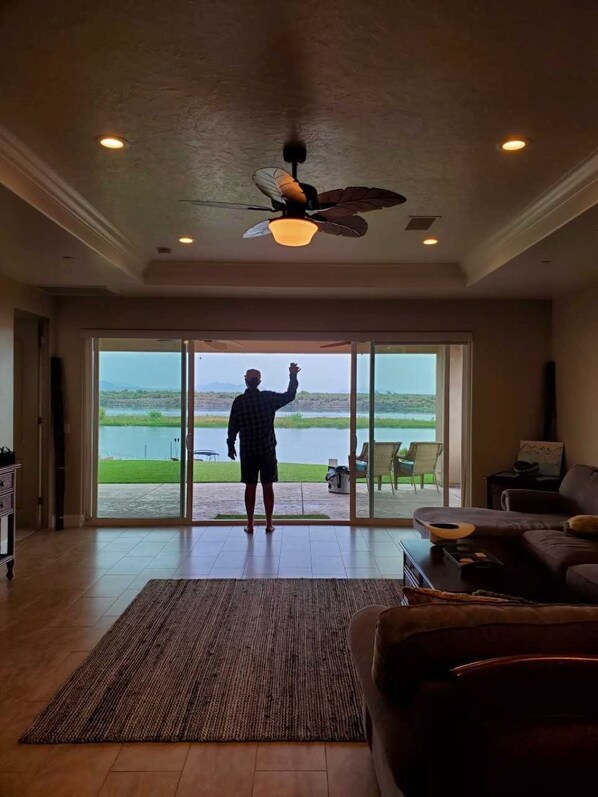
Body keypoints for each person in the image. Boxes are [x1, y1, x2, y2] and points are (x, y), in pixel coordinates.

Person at [227, 363, 301, 533]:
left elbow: (233, 426)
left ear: (245, 381)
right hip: (267, 450)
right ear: (259, 382)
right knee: (268, 486)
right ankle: (268, 524)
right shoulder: (268, 398)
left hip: (248, 451)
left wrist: (230, 445)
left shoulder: (239, 401)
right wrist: (293, 375)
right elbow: (290, 395)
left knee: (250, 486)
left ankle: (250, 524)